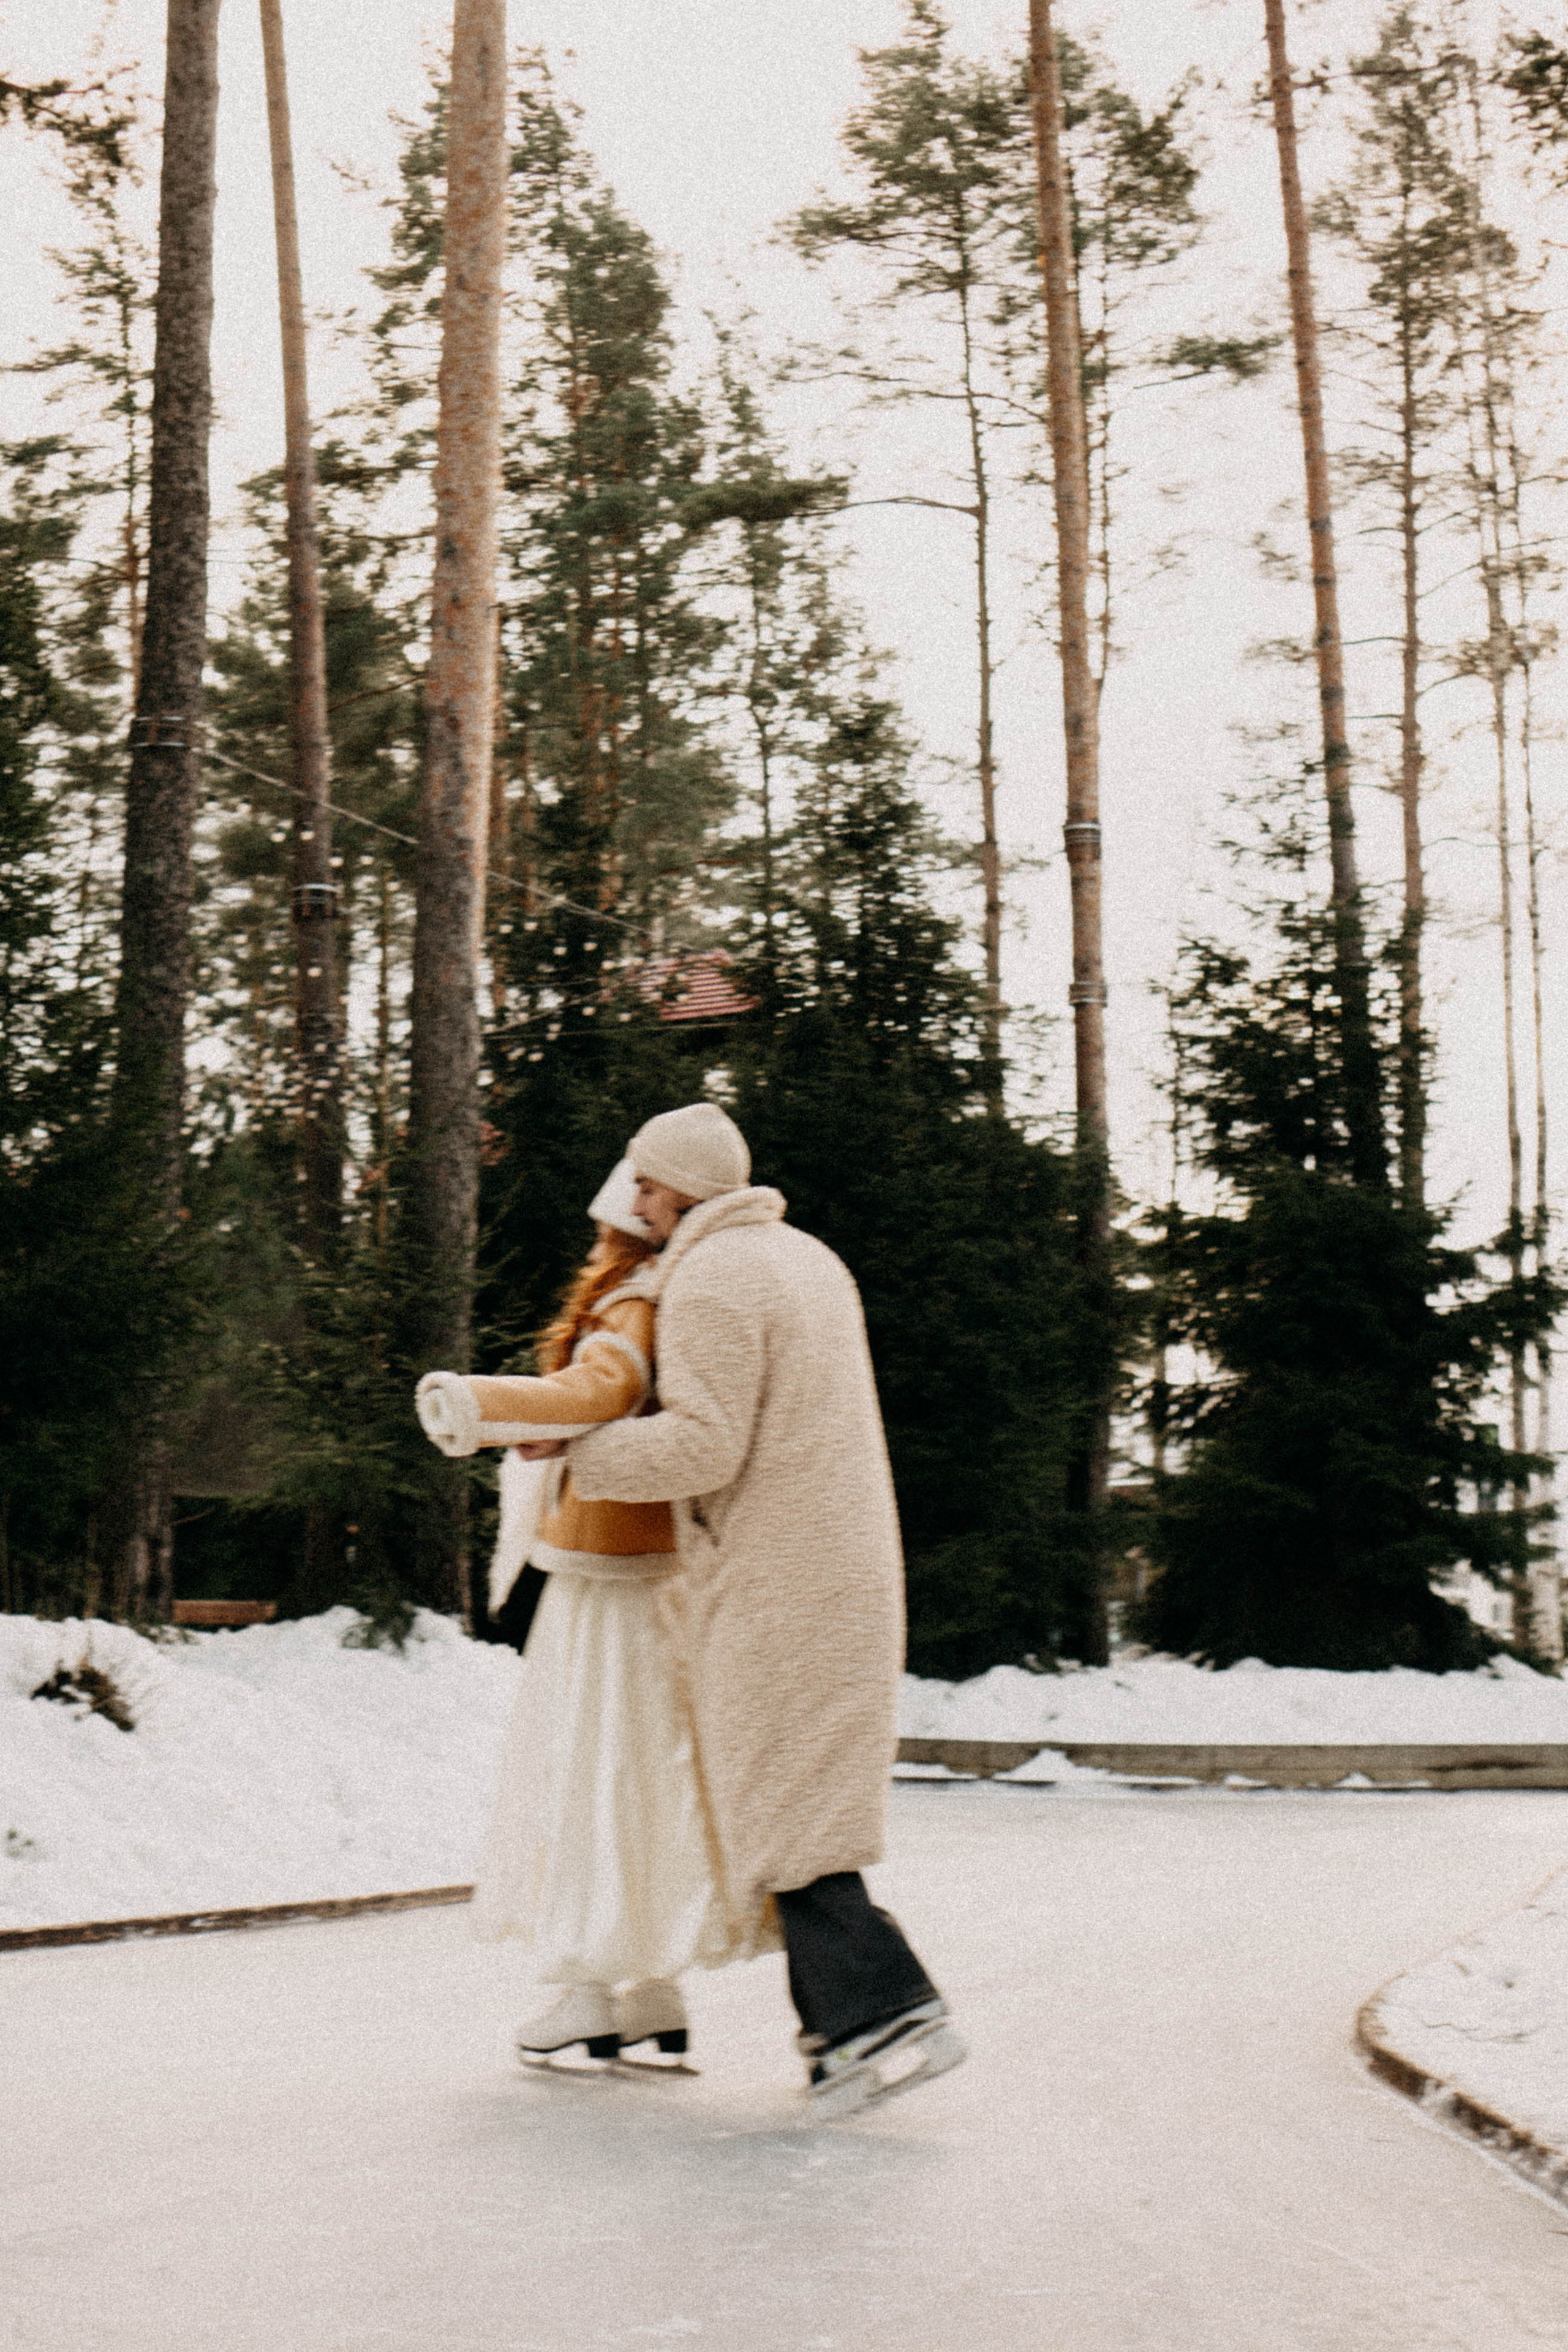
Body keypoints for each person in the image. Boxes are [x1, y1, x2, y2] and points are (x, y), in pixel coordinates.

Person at [555, 1102, 966, 2119]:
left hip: (779, 1576)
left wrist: (577, 1451)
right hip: (836, 1561)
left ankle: (885, 2009)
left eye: (647, 1183)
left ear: (685, 1189)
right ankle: (844, 2031)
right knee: (799, 1806)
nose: (635, 1199)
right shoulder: (808, 1258)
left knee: (788, 1813)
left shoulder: (714, 1274)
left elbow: (705, 1444)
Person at [415, 1161, 770, 2068]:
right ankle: (648, 1986)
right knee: (638, 1770)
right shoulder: (676, 1295)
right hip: (649, 1573)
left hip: (607, 1579)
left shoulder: (635, 1303)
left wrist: (477, 1403)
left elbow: (595, 1392)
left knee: (588, 1771)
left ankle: (588, 1988)